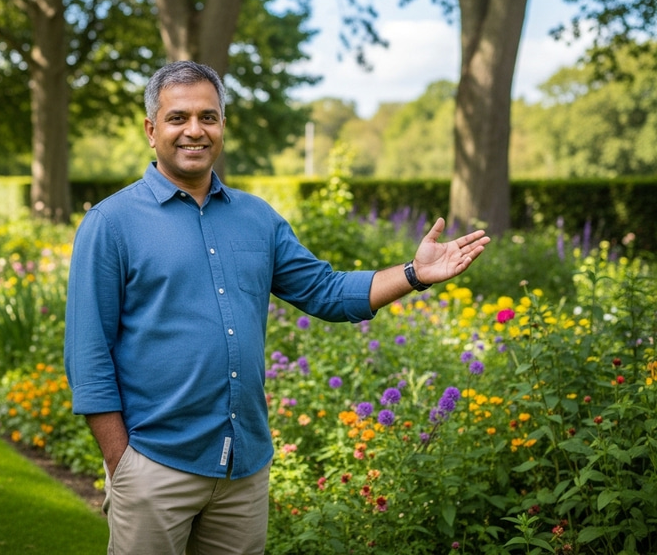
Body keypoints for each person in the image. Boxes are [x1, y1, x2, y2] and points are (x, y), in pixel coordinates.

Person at [64, 60, 490, 555]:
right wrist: (123, 465)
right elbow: (88, 355)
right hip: (155, 466)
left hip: (242, 473)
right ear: (151, 129)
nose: (195, 131)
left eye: (209, 116)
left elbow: (326, 291)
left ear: (223, 125)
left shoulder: (257, 218)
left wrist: (414, 274)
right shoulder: (111, 223)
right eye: (178, 118)